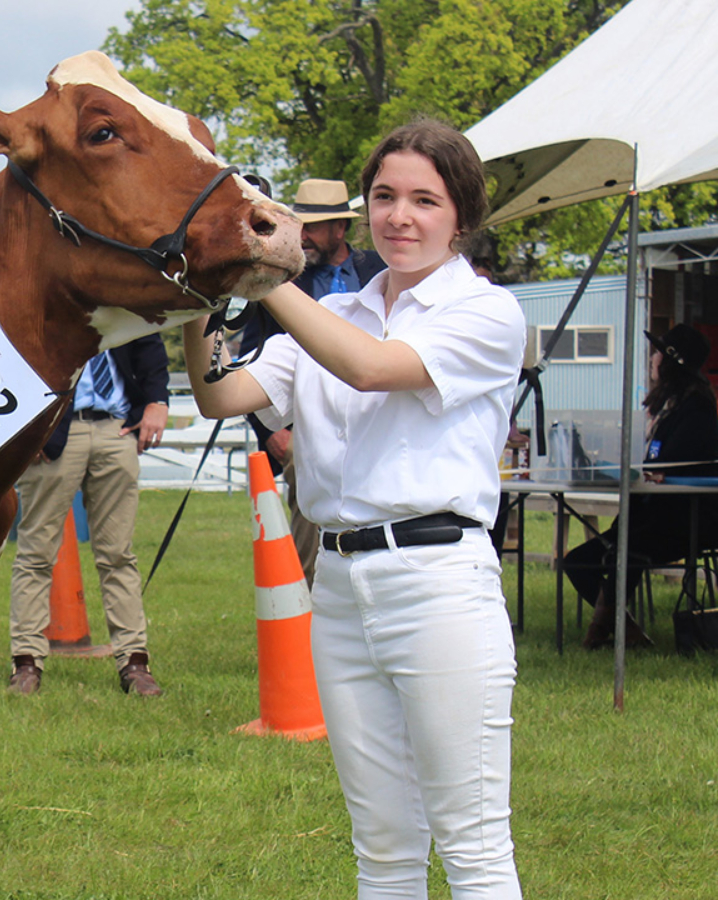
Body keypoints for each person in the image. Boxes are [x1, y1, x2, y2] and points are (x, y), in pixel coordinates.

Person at [182, 119, 526, 898]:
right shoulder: (337, 311)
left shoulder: (486, 313)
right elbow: (220, 396)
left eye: (424, 201)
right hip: (336, 588)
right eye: (385, 196)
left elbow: (372, 370)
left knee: (471, 845)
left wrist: (264, 275)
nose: (399, 216)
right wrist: (199, 299)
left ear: (460, 218)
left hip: (437, 582)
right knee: (382, 848)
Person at [238, 178, 387, 584]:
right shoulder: (283, 277)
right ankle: (306, 640)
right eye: (299, 224)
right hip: (306, 433)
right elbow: (251, 358)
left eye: (314, 227)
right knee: (310, 555)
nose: (302, 236)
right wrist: (273, 432)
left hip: (379, 427)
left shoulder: (381, 271)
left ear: (340, 228)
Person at [8, 334, 169, 697]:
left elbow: (147, 339)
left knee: (118, 555)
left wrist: (157, 400)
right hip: (53, 429)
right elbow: (14, 346)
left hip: (117, 427)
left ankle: (134, 663)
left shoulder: (123, 284)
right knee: (36, 553)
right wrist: (23, 426)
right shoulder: (44, 283)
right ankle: (26, 663)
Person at [562, 324, 718, 648]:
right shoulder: (669, 406)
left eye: (658, 351)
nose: (652, 358)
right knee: (579, 560)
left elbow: (674, 465)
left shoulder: (697, 409)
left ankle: (600, 631)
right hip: (649, 514)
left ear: (674, 361)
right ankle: (627, 630)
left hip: (684, 520)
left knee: (625, 553)